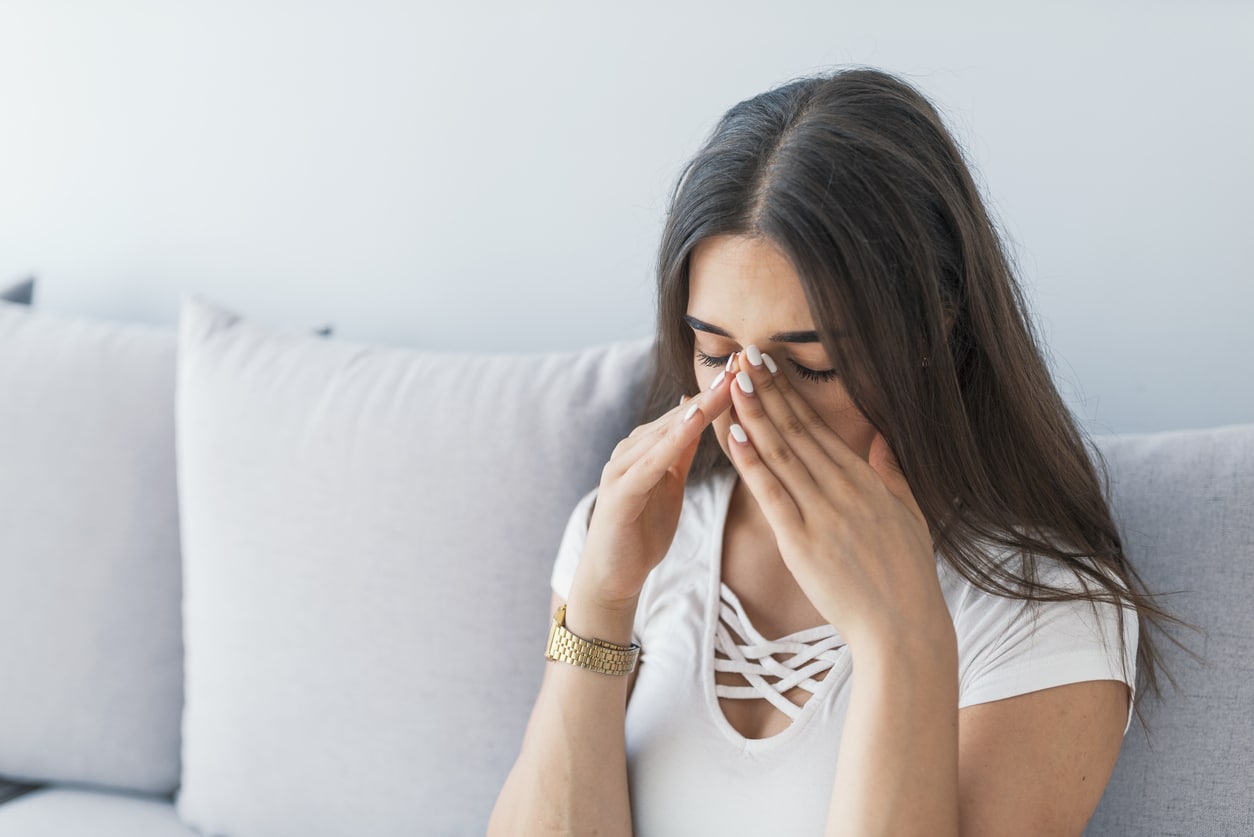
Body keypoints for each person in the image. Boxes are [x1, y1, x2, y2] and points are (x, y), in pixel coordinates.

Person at [489, 65, 1174, 836]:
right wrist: (601, 603)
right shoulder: (633, 530)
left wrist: (900, 634)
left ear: (937, 326)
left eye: (812, 364)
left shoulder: (1039, 608)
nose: (749, 402)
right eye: (715, 352)